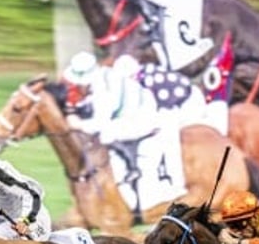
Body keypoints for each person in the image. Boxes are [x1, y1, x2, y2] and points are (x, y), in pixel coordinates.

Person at [62, 50, 186, 208]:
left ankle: (129, 175)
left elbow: (99, 124)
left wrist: (78, 124)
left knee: (106, 135)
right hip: (138, 111)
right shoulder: (105, 74)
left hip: (143, 120)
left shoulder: (103, 90)